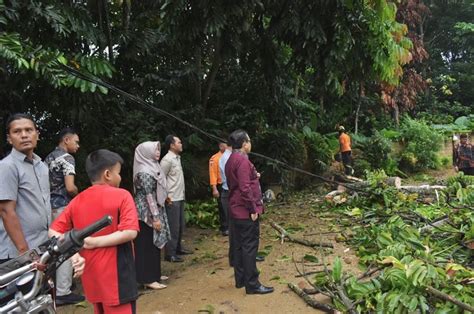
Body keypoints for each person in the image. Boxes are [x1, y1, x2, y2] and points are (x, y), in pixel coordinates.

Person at [49, 149, 139, 314]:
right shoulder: (122, 195)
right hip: (118, 280)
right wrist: (95, 241)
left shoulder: (77, 200)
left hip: (92, 278)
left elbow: (54, 230)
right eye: (118, 173)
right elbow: (130, 231)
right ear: (107, 174)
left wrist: (74, 253)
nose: (120, 177)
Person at [225, 129, 273, 295]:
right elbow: (245, 188)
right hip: (245, 211)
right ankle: (252, 283)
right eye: (249, 141)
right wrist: (253, 208)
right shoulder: (243, 161)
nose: (250, 144)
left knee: (238, 246)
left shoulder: (231, 158)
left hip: (235, 209)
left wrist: (254, 176)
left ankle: (241, 279)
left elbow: (240, 182)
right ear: (244, 144)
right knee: (249, 247)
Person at [44, 127, 84, 305]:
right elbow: (69, 187)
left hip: (48, 208)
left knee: (53, 248)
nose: (78, 146)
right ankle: (63, 291)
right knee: (67, 245)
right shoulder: (67, 158)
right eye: (76, 142)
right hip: (62, 207)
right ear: (66, 140)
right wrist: (79, 194)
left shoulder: (48, 158)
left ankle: (55, 287)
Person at [133, 141, 171, 290]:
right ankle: (147, 278)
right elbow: (149, 196)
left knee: (154, 242)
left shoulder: (153, 167)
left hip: (155, 208)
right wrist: (155, 217)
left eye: (158, 149)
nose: (157, 152)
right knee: (146, 244)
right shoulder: (144, 171)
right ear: (145, 152)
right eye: (155, 150)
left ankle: (155, 274)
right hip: (146, 213)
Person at [161, 135, 192, 262]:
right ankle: (170, 253)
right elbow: (161, 179)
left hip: (180, 196)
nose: (181, 144)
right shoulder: (167, 160)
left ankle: (178, 248)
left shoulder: (177, 158)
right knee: (173, 226)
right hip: (171, 198)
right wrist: (165, 196)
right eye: (179, 142)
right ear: (172, 145)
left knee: (180, 225)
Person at [209, 141, 229, 236]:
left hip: (229, 184)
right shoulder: (215, 158)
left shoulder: (230, 156)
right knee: (222, 207)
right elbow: (212, 173)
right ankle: (224, 227)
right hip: (220, 184)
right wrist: (214, 188)